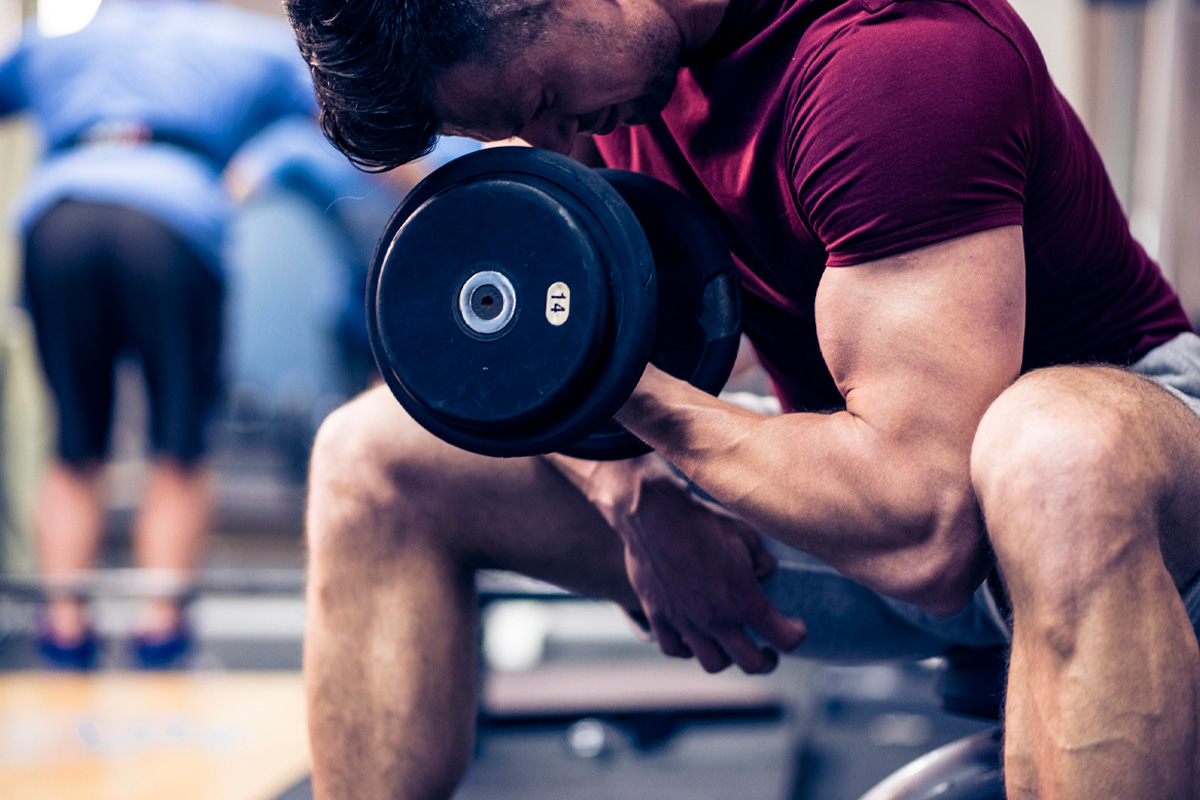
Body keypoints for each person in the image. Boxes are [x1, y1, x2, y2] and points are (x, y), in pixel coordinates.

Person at [285, 0, 1200, 796]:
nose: (552, 145)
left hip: (1121, 501)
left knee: (1049, 453)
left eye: (541, 103)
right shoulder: (610, 71)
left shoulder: (887, 55)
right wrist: (629, 485)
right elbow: (525, 357)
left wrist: (627, 399)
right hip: (859, 482)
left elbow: (931, 530)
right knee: (368, 458)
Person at [0, 0, 317, 669]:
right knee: (179, 445)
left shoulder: (56, 44)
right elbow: (347, 100)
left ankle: (65, 637)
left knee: (73, 446)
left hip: (60, 216)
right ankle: (159, 636)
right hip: (171, 219)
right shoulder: (245, 41)